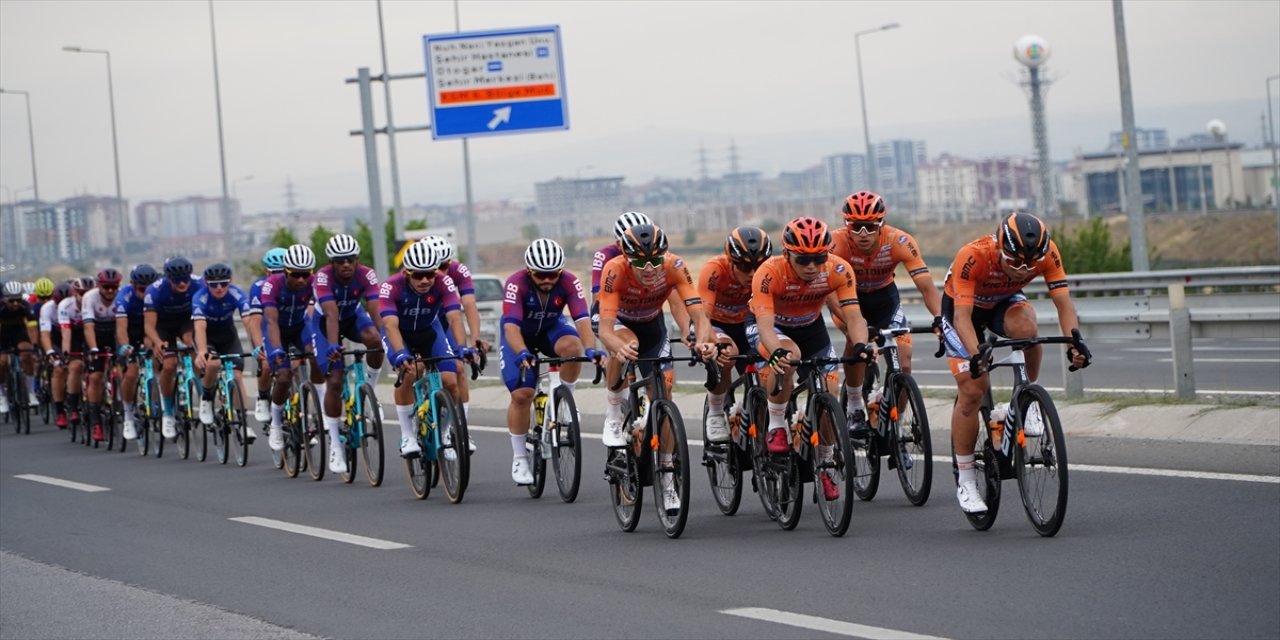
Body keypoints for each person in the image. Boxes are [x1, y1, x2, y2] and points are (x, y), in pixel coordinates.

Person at [939, 212, 1090, 514]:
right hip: (962, 310)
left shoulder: (1046, 254)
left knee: (1028, 331)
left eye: (1030, 265)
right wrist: (976, 355)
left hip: (1003, 301)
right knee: (973, 389)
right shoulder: (974, 256)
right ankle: (967, 479)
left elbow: (1063, 303)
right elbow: (962, 318)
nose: (1024, 270)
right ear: (999, 247)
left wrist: (1076, 342)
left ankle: (1025, 401)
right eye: (1016, 262)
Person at [749, 217, 872, 502]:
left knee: (829, 394)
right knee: (789, 357)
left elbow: (854, 317)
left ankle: (825, 464)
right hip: (773, 328)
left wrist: (862, 345)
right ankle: (776, 427)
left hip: (810, 327)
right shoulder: (769, 273)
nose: (812, 267)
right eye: (804, 259)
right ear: (787, 252)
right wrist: (775, 351)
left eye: (819, 258)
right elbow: (766, 327)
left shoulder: (839, 269)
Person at [596, 223, 716, 514]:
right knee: (626, 346)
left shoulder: (675, 265)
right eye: (639, 262)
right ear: (627, 258)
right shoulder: (614, 270)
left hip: (653, 325)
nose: (649, 267)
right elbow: (605, 329)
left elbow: (698, 315)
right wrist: (617, 346)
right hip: (621, 324)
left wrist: (702, 342)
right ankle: (614, 412)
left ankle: (666, 475)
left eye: (655, 260)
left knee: (664, 394)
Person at [829, 191, 942, 439]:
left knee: (904, 361)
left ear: (882, 222)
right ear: (846, 224)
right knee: (854, 341)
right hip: (850, 302)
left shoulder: (898, 241)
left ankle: (898, 426)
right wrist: (854, 326)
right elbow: (830, 294)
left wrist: (939, 317)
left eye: (870, 226)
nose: (863, 234)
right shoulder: (835, 244)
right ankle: (856, 406)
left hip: (884, 299)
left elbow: (926, 286)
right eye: (856, 227)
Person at [499, 239, 602, 485]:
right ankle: (520, 457)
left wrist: (590, 348)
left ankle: (565, 402)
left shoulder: (569, 281)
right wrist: (522, 352)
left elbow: (581, 319)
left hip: (550, 329)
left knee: (572, 347)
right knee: (522, 394)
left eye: (553, 275)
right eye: (541, 275)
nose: (547, 280)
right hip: (519, 334)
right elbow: (511, 325)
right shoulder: (516, 283)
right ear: (529, 271)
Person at [380, 241, 480, 460]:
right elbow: (390, 325)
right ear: (406, 273)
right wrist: (400, 353)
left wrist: (462, 347)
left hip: (429, 331)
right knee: (409, 373)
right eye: (418, 275)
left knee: (451, 379)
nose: (425, 280)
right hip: (401, 334)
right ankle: (407, 435)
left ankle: (445, 433)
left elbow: (454, 317)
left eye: (429, 274)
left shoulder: (443, 282)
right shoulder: (391, 286)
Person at [311, 234, 385, 471]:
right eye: (340, 260)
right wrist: (333, 345)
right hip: (325, 324)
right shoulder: (322, 277)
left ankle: (370, 393)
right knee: (334, 380)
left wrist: (387, 336)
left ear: (356, 260)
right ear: (332, 262)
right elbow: (331, 314)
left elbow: (375, 307)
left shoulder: (366, 274)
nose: (346, 264)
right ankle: (334, 444)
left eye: (350, 259)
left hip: (354, 317)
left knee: (375, 340)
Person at [698, 227, 772, 442]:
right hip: (717, 324)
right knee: (727, 354)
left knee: (768, 371)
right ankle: (716, 411)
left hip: (750, 323)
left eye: (758, 266)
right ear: (730, 261)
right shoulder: (714, 270)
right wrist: (707, 343)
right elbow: (703, 316)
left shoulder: (769, 274)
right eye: (744, 266)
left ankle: (762, 426)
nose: (752, 273)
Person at [590, 211, 692, 344]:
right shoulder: (605, 256)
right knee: (623, 347)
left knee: (663, 362)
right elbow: (598, 297)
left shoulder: (660, 256)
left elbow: (675, 301)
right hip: (614, 311)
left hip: (645, 311)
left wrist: (686, 331)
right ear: (618, 243)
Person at [262, 245, 323, 456]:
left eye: (305, 275)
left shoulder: (314, 283)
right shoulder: (272, 285)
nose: (300, 280)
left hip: (299, 327)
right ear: (286, 272)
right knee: (284, 375)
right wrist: (277, 349)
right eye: (295, 275)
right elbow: (270, 320)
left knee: (316, 356)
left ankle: (319, 403)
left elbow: (324, 310)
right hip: (277, 329)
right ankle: (276, 424)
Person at [418, 235, 485, 421]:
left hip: (446, 320)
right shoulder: (417, 274)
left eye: (445, 266)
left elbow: (469, 305)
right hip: (420, 322)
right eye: (436, 268)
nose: (442, 272)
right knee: (416, 366)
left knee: (458, 367)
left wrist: (475, 340)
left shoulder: (459, 271)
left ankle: (460, 426)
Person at [192, 263, 256, 443]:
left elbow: (248, 321)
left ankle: (243, 424)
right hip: (209, 337)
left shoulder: (237, 294)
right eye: (213, 284)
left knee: (236, 375)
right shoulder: (200, 297)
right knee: (212, 364)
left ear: (230, 282)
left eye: (223, 283)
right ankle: (206, 397)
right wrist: (202, 351)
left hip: (228, 337)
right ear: (206, 283)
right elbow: (199, 325)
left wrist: (256, 345)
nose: (219, 288)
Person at [144, 257, 203, 439]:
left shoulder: (198, 283)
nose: (183, 283)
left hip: (186, 321)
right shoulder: (155, 291)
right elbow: (149, 326)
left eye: (186, 279)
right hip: (163, 325)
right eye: (178, 280)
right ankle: (168, 412)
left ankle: (205, 399)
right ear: (169, 278)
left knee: (194, 350)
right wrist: (157, 342)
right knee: (168, 365)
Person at [114, 264, 160, 440]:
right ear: (133, 285)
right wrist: (126, 346)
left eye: (148, 288)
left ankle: (157, 397)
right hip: (129, 332)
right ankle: (128, 415)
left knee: (156, 352)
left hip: (148, 330)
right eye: (141, 289)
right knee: (132, 373)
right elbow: (121, 328)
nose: (144, 292)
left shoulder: (156, 294)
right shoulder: (124, 296)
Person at [81, 268, 124, 442]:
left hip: (114, 333)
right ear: (99, 285)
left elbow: (123, 327)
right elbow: (88, 327)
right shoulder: (89, 297)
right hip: (95, 335)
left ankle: (122, 404)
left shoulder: (121, 297)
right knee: (96, 377)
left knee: (123, 372)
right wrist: (94, 349)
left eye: (114, 287)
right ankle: (96, 422)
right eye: (106, 287)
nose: (110, 291)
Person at [247, 248, 287, 423]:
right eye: (274, 272)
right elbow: (254, 321)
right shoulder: (258, 287)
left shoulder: (296, 283)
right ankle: (263, 398)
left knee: (298, 362)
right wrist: (258, 347)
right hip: (266, 330)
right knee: (266, 364)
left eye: (283, 272)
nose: (278, 276)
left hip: (287, 328)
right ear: (266, 271)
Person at [57, 277, 96, 427]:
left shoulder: (96, 301)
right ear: (75, 294)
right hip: (74, 335)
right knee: (75, 366)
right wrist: (67, 354)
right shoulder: (65, 306)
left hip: (93, 333)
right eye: (81, 293)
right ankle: (73, 407)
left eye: (88, 292)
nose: (85, 296)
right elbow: (66, 334)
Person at [0, 280, 39, 415]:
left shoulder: (26, 306)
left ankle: (30, 391)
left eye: (18, 300)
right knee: (2, 362)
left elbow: (32, 327)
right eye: (12, 301)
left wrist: (34, 346)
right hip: (2, 334)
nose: (16, 304)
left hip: (19, 332)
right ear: (4, 299)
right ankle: (2, 395)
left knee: (27, 355)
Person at [39, 282, 72, 427]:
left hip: (72, 336)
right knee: (58, 369)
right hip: (55, 339)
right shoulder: (47, 308)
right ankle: (60, 411)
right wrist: (50, 352)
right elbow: (45, 335)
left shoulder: (75, 306)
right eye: (59, 302)